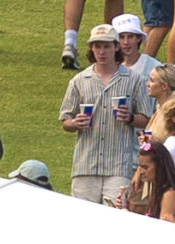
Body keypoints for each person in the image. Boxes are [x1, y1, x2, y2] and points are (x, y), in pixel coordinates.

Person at [60, 21, 151, 202]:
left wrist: (130, 118)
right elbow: (65, 119)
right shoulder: (79, 80)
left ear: (116, 47)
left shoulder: (134, 79)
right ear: (91, 49)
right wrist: (75, 123)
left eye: (106, 46)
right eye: (97, 46)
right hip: (85, 166)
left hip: (118, 166)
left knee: (116, 216)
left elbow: (146, 118)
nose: (101, 52)